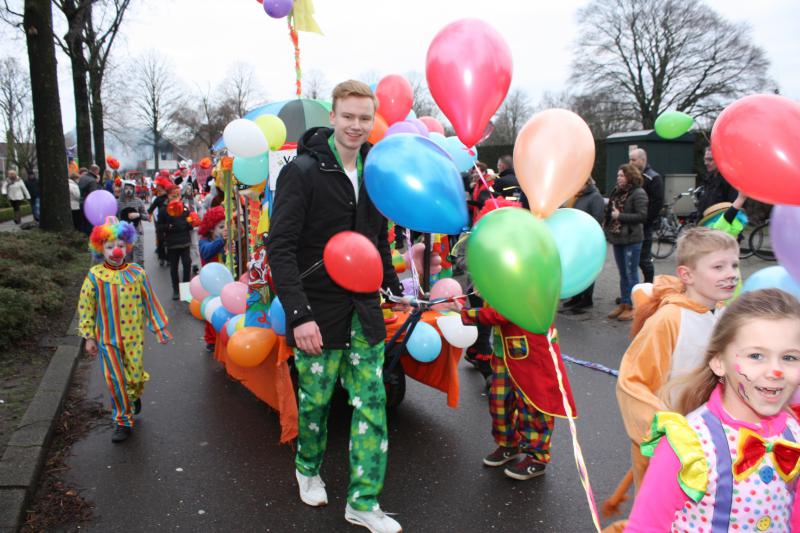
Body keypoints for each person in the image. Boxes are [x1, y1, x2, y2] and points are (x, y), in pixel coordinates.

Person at [266, 80, 405, 533]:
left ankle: (364, 502)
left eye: (365, 117)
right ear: (333, 116)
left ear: (373, 120)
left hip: (363, 313)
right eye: (348, 116)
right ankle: (307, 468)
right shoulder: (302, 172)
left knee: (372, 407)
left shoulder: (374, 172)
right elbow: (281, 247)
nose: (356, 125)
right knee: (316, 406)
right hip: (318, 314)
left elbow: (376, 240)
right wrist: (299, 315)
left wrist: (392, 286)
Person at [625, 289, 800, 532]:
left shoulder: (794, 431)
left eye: (790, 358)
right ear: (718, 362)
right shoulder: (688, 445)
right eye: (756, 355)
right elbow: (646, 527)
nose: (775, 372)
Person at [605, 227, 740, 522]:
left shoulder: (722, 314)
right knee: (660, 515)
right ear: (686, 275)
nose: (731, 274)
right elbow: (632, 382)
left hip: (709, 442)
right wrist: (667, 428)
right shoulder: (669, 320)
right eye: (718, 267)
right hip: (669, 446)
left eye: (734, 265)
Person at [77, 216, 171, 443]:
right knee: (116, 380)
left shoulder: (137, 274)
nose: (116, 251)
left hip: (133, 338)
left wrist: (159, 328)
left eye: (120, 245)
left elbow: (150, 302)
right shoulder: (95, 276)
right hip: (107, 340)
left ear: (127, 246)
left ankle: (133, 395)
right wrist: (89, 337)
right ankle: (122, 421)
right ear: (101, 249)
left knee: (134, 378)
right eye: (110, 246)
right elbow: (86, 307)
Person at [461, 305, 576, 480]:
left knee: (533, 406)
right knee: (499, 402)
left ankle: (537, 458)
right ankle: (508, 445)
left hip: (531, 352)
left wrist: (465, 313)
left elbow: (506, 312)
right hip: (504, 353)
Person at [604, 163, 648, 321]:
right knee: (623, 274)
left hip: (632, 239)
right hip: (618, 238)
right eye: (618, 175)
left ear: (630, 176)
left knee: (631, 274)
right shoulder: (616, 191)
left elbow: (642, 216)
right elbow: (610, 211)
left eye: (622, 175)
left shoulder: (639, 193)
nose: (619, 178)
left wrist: (619, 216)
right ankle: (624, 303)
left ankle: (633, 307)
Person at [562, 177, 605, 314]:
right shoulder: (579, 196)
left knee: (587, 269)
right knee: (577, 268)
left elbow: (598, 218)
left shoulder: (595, 197)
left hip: (588, 240)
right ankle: (577, 297)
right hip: (577, 239)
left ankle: (587, 299)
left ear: (586, 183)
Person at [629, 148, 663, 284]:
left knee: (644, 259)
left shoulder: (653, 178)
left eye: (633, 160)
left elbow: (657, 203)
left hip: (644, 226)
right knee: (631, 259)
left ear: (642, 160)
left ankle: (649, 285)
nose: (630, 163)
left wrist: (645, 221)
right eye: (629, 159)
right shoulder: (632, 177)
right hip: (632, 225)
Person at [198, 206, 226, 352]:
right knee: (211, 310)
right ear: (210, 229)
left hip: (223, 281)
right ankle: (211, 340)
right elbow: (206, 252)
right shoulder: (204, 241)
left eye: (225, 226)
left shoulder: (223, 242)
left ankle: (221, 338)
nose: (224, 229)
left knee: (223, 310)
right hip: (209, 283)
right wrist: (222, 241)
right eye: (221, 227)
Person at [159, 184, 193, 300]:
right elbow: (159, 227)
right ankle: (176, 290)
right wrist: (168, 226)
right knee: (174, 267)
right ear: (168, 196)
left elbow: (189, 222)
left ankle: (186, 291)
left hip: (185, 242)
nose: (176, 198)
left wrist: (191, 222)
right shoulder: (163, 210)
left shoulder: (184, 208)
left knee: (187, 264)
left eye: (178, 195)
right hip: (172, 244)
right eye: (173, 196)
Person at [697, 147, 738, 216]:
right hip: (706, 221)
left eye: (710, 159)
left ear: (721, 159)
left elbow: (735, 208)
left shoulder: (730, 181)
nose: (706, 163)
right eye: (705, 159)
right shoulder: (708, 180)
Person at [118, 180, 148, 265]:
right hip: (124, 234)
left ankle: (139, 272)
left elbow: (147, 216)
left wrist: (138, 214)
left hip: (137, 233)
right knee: (127, 260)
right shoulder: (118, 202)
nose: (128, 190)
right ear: (123, 189)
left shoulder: (138, 201)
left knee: (139, 259)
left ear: (134, 189)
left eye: (131, 188)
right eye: (126, 188)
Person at [148, 176, 172, 267]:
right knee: (161, 240)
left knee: (169, 240)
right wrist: (148, 214)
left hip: (169, 221)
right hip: (160, 222)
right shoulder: (158, 199)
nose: (157, 187)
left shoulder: (169, 197)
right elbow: (151, 209)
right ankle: (162, 258)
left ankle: (168, 258)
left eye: (158, 186)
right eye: (157, 186)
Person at [78, 165, 101, 234]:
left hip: (80, 203)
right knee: (89, 225)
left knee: (82, 223)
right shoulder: (92, 181)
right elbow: (93, 195)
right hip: (88, 205)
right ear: (96, 171)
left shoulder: (82, 178)